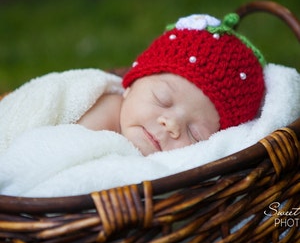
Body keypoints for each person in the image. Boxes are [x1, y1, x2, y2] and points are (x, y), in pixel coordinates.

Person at [77, 13, 266, 156]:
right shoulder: (102, 115)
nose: (172, 125)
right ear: (131, 85)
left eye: (195, 134)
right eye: (162, 99)